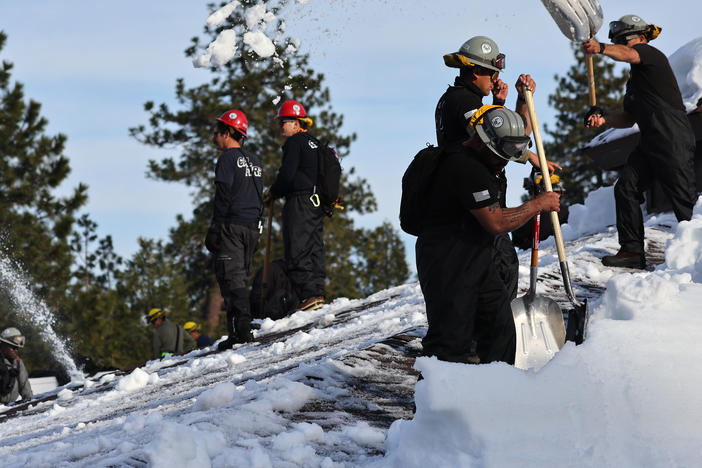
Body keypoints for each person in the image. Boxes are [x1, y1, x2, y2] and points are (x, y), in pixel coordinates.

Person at [417, 105, 561, 364]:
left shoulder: (478, 155)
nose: (504, 161)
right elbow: (495, 222)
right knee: (448, 345)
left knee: (500, 329)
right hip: (447, 263)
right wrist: (537, 204)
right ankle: (433, 402)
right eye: (500, 155)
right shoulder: (467, 168)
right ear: (483, 144)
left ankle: (494, 394)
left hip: (476, 259)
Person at [436, 35, 560, 300]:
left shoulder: (458, 100)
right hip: (478, 208)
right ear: (475, 71)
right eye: (492, 73)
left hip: (465, 209)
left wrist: (515, 102)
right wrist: (532, 157)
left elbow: (509, 135)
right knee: (502, 270)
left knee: (493, 276)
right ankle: (498, 337)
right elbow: (499, 142)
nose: (495, 79)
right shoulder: (464, 102)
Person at [583, 15, 697, 269]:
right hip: (649, 142)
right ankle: (632, 252)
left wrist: (601, 48)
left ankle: (697, 255)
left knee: (684, 202)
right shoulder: (635, 81)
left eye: (626, 40)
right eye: (619, 41)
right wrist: (604, 121)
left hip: (672, 139)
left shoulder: (650, 56)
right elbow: (628, 119)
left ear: (641, 38)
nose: (624, 45)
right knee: (626, 187)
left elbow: (629, 54)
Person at [204, 109, 264, 350]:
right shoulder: (255, 161)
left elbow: (224, 195)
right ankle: (239, 328)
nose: (214, 138)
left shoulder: (227, 159)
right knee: (239, 276)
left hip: (233, 226)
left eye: (216, 133)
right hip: (252, 228)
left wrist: (215, 228)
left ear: (228, 133)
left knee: (231, 278)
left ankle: (241, 331)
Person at [263, 100, 326, 312]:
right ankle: (317, 292)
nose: (280, 126)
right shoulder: (314, 142)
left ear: (296, 122)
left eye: (284, 121)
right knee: (314, 246)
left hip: (299, 200)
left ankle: (308, 295)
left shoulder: (294, 142)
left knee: (297, 246)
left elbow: (287, 175)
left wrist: (273, 192)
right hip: (316, 201)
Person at [0, 327, 33, 404]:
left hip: (9, 407)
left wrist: (31, 404)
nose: (16, 350)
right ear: (2, 345)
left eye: (17, 348)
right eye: (13, 347)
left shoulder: (18, 362)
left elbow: (25, 387)